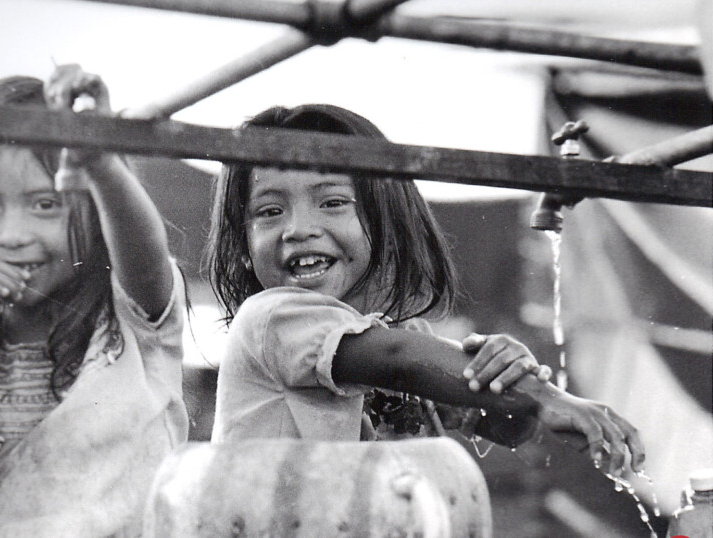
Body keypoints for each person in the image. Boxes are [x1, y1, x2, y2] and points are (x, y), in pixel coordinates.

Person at [205, 104, 645, 476]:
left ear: (385, 220)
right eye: (270, 211)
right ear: (242, 244)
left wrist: (509, 370)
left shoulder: (409, 336)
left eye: (333, 202)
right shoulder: (274, 318)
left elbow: (510, 428)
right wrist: (546, 396)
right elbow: (398, 362)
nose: (298, 229)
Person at [0, 65, 188, 537]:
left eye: (45, 204)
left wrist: (99, 162)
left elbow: (143, 248)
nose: (10, 236)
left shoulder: (128, 311)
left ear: (93, 207)